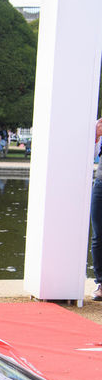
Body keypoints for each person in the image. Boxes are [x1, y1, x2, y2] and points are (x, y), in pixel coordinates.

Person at [90, 118, 102, 300]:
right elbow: (90, 156)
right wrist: (95, 136)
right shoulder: (99, 127)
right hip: (101, 183)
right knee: (98, 236)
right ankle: (101, 283)